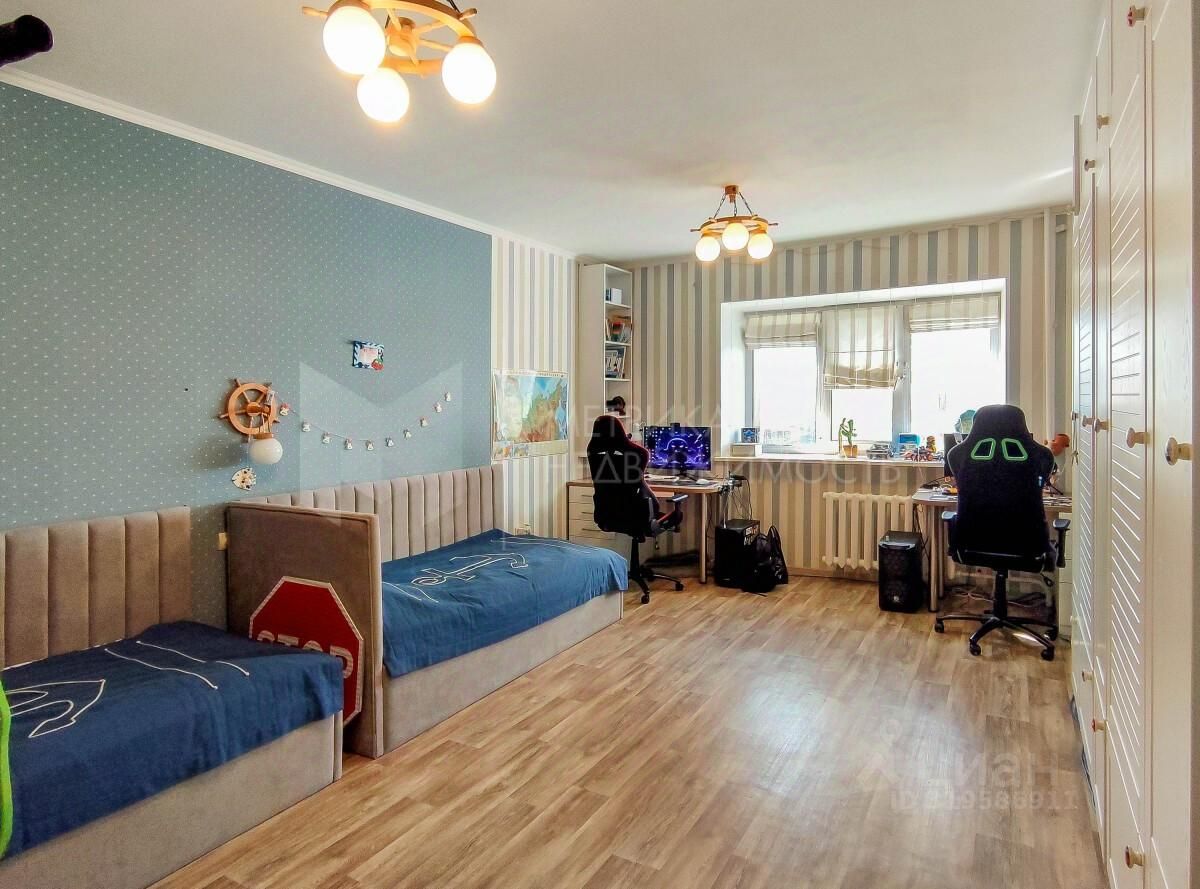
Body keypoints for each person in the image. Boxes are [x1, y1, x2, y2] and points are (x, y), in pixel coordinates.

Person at [587, 415, 683, 531]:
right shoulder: (639, 454)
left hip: (607, 517)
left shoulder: (592, 454)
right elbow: (641, 458)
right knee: (671, 514)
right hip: (636, 516)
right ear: (621, 433)